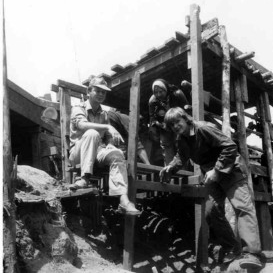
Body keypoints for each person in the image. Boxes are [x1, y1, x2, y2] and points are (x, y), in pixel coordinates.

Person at [159, 107, 262, 270]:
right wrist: (170, 167)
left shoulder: (204, 129)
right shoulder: (182, 139)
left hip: (230, 170)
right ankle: (233, 248)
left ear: (185, 118)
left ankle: (252, 253)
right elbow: (182, 156)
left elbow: (229, 146)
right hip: (212, 174)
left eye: (177, 121)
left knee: (242, 207)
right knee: (210, 211)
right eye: (172, 125)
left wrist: (217, 169)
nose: (176, 127)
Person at [68, 76, 140, 215]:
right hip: (78, 155)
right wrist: (106, 127)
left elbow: (108, 138)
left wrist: (111, 145)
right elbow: (82, 125)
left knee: (117, 154)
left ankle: (123, 200)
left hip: (97, 153)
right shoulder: (78, 108)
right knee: (92, 133)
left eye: (104, 92)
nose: (101, 94)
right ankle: (84, 179)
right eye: (98, 91)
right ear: (89, 91)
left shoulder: (104, 113)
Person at [148, 79, 189, 165]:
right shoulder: (152, 101)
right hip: (164, 127)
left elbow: (186, 111)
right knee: (166, 146)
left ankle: (184, 169)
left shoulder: (177, 94)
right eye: (156, 92)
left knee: (181, 145)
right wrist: (158, 124)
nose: (158, 94)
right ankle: (169, 170)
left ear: (166, 89)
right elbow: (152, 118)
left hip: (177, 124)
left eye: (161, 91)